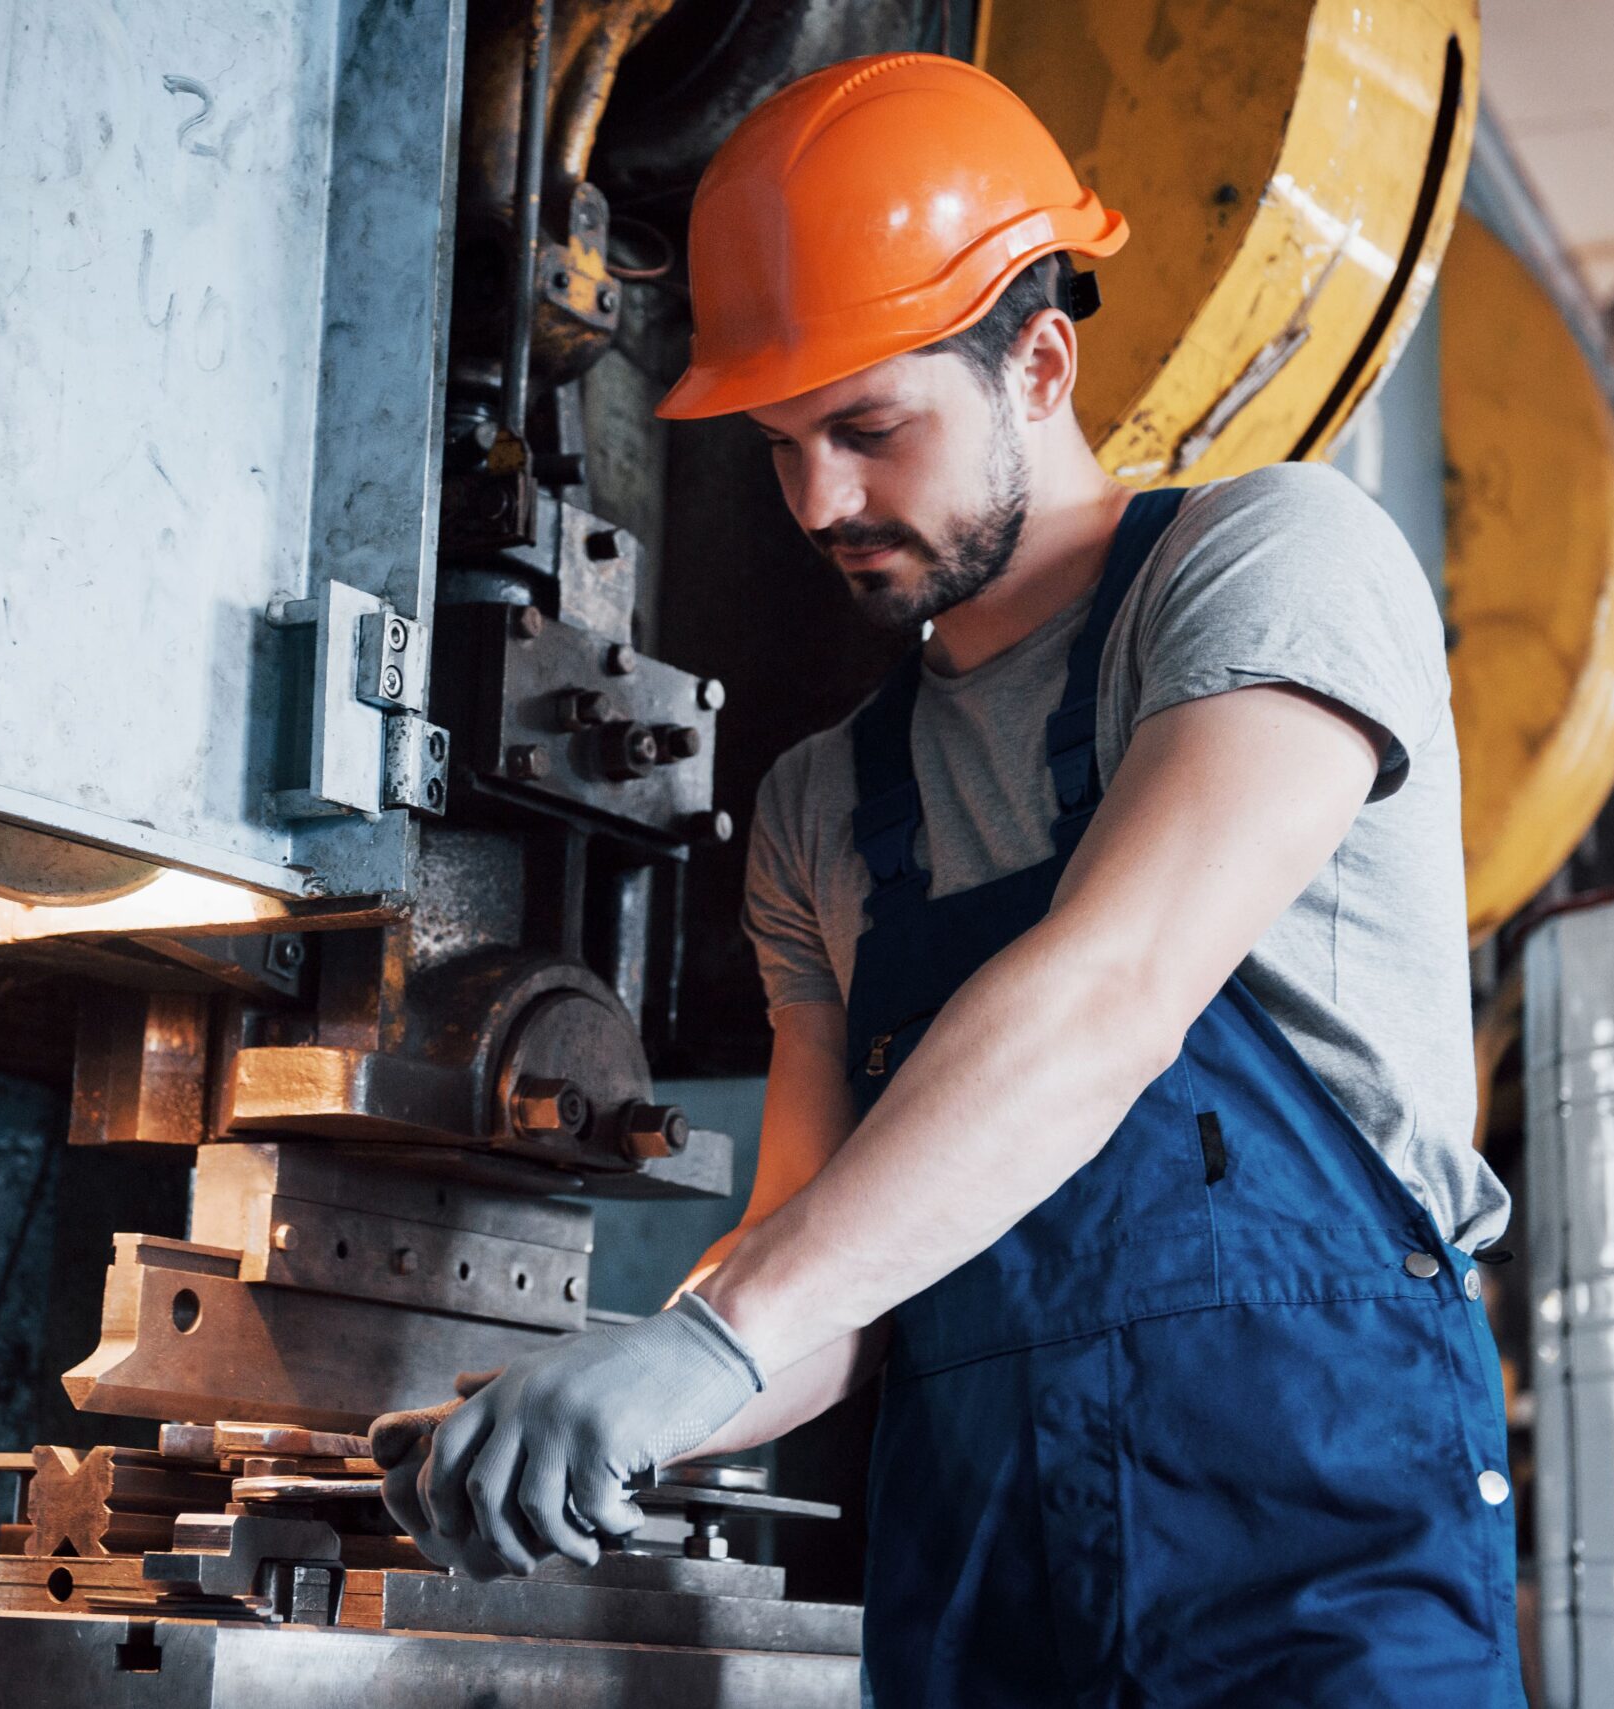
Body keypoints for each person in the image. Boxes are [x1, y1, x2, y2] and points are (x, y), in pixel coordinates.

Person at [374, 52, 1522, 1706]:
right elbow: (822, 1285)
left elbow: (1112, 996)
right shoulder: (825, 807)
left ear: (1040, 362)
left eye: (869, 426)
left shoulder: (1274, 563)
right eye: (780, 445)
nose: (821, 501)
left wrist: (706, 1341)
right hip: (989, 1613)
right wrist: (607, 1392)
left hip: (1312, 1590)